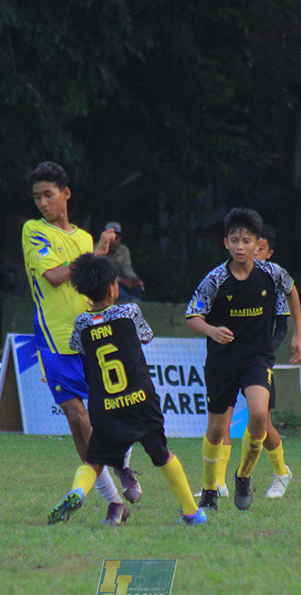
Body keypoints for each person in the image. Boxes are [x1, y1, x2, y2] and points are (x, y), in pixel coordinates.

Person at [47, 253, 207, 526]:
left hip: (106, 406)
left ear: (84, 292)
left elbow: (77, 347)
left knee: (94, 460)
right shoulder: (130, 311)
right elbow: (146, 335)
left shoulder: (82, 324)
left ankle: (78, 490)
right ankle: (192, 513)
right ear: (113, 288)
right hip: (140, 400)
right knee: (162, 455)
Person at [22, 162, 139, 525]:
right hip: (55, 344)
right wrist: (92, 257)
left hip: (92, 338)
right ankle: (113, 501)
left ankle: (123, 464)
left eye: (49, 195)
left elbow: (93, 279)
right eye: (37, 196)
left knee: (116, 412)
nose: (43, 203)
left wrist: (99, 253)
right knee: (78, 419)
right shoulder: (33, 231)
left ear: (65, 194)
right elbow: (56, 277)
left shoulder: (84, 238)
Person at [186, 208, 301, 512]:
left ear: (256, 244)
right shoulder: (215, 279)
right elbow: (192, 315)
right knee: (216, 429)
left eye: (246, 241)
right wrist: (211, 330)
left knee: (260, 416)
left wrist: (298, 335)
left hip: (257, 357)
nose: (240, 246)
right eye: (234, 240)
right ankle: (210, 490)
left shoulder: (270, 272)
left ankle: (243, 477)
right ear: (226, 243)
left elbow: (292, 291)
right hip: (223, 361)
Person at [210, 224, 298, 502]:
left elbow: (281, 325)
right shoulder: (225, 279)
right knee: (220, 422)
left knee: (262, 422)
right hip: (228, 360)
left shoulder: (272, 282)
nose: (248, 251)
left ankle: (281, 472)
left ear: (267, 251)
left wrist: (263, 353)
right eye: (242, 243)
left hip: (258, 361)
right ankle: (219, 483)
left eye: (256, 247)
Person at [104, 222, 145, 303]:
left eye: (117, 238)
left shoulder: (123, 250)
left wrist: (134, 279)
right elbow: (101, 274)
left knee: (137, 287)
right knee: (113, 289)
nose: (113, 241)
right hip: (104, 285)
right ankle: (130, 303)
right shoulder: (97, 249)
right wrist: (121, 280)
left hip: (119, 283)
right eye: (111, 237)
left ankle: (138, 307)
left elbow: (127, 269)